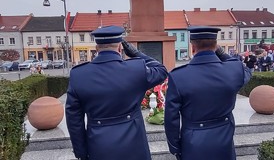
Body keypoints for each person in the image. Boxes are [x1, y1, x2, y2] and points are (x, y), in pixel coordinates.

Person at [65, 26, 168, 160]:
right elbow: (161, 70)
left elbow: (74, 120)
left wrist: (81, 153)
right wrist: (137, 54)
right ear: (120, 48)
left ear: (97, 49)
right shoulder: (136, 69)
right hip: (134, 145)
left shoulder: (78, 75)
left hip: (99, 146)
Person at [164, 26, 252, 160]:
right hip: (224, 138)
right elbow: (245, 71)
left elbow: (171, 118)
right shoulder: (233, 70)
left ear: (192, 48)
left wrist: (175, 147)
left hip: (193, 142)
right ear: (216, 46)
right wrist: (222, 54)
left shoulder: (178, 76)